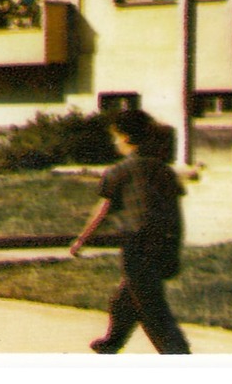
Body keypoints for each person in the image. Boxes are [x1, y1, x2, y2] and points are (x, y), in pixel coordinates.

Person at [69, 109, 191, 354]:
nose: (114, 142)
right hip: (164, 241)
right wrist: (175, 247)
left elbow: (102, 211)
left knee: (150, 307)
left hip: (137, 244)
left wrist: (82, 240)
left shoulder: (118, 172)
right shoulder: (164, 171)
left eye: (115, 137)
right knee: (126, 299)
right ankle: (112, 342)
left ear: (125, 138)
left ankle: (178, 356)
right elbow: (175, 213)